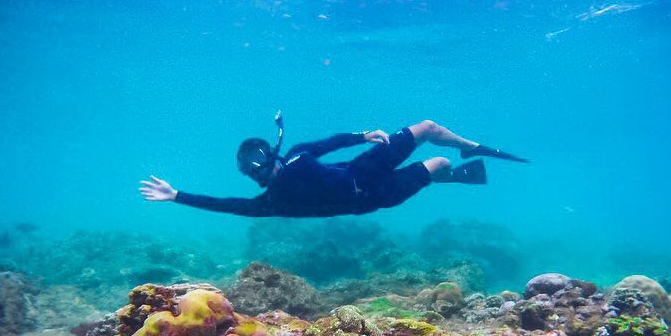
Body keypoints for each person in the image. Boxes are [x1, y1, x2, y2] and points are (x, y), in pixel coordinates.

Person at [139, 116, 528, 218]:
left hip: (361, 167)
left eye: (263, 169)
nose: (265, 176)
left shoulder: (290, 164)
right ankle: (450, 171)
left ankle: (467, 149)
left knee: (426, 128)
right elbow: (226, 204)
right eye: (258, 175)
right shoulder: (273, 199)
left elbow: (326, 144)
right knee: (436, 162)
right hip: (375, 196)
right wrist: (177, 196)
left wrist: (364, 136)